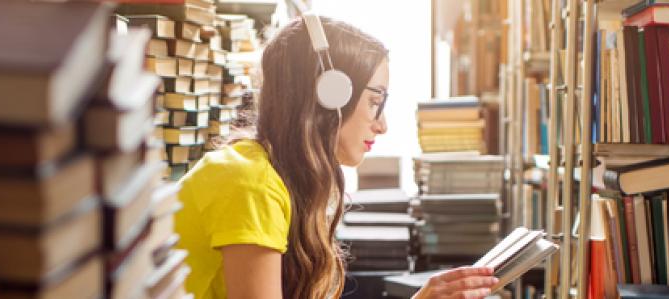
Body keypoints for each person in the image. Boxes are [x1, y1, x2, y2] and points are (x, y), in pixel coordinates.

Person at [173, 16, 500, 299]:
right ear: (331, 96)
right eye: (375, 102)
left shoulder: (277, 176)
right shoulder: (250, 184)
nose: (382, 125)